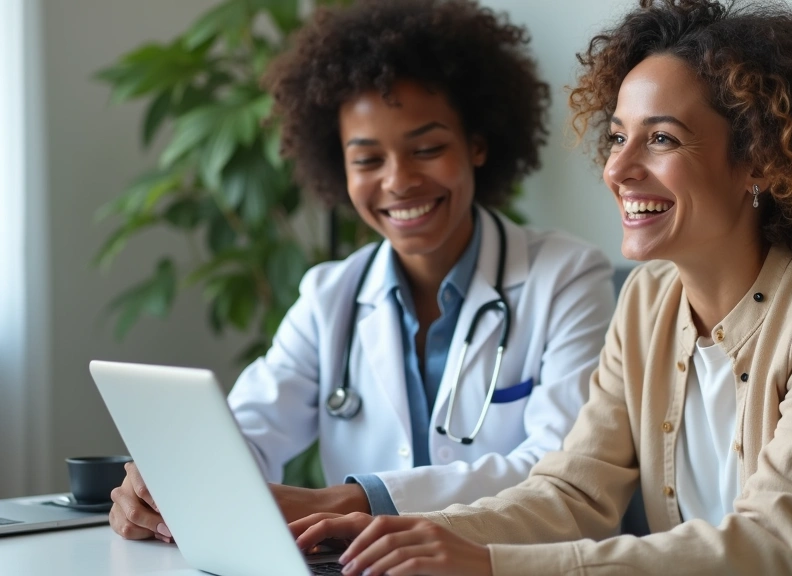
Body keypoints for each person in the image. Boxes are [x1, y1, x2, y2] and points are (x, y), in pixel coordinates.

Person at [286, 1, 792, 574]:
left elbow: (777, 546)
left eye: (662, 139)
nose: (618, 169)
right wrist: (404, 534)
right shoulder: (648, 302)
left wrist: (488, 564)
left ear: (761, 162)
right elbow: (573, 492)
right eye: (618, 137)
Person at [107, 0, 615, 543]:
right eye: (368, 160)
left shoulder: (566, 277)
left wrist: (354, 500)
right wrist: (169, 481)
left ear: (477, 145)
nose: (398, 181)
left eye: (427, 148)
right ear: (339, 166)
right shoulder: (330, 296)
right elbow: (247, 433)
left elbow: (559, 467)